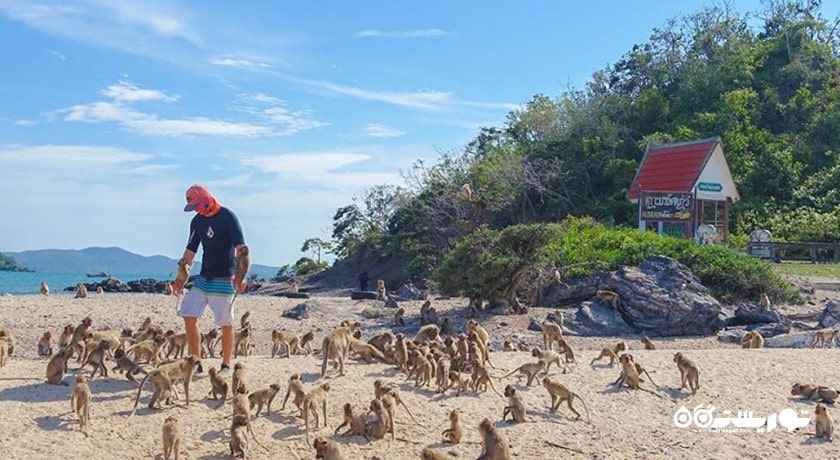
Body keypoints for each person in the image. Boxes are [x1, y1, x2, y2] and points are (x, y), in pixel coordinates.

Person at [172, 184, 247, 374]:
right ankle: (196, 362)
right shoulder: (197, 222)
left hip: (225, 277)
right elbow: (189, 254)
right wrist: (179, 279)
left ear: (206, 199)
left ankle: (226, 365)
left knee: (226, 323)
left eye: (197, 205)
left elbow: (242, 251)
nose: (196, 210)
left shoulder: (228, 217)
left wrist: (240, 277)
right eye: (193, 207)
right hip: (204, 277)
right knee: (188, 314)